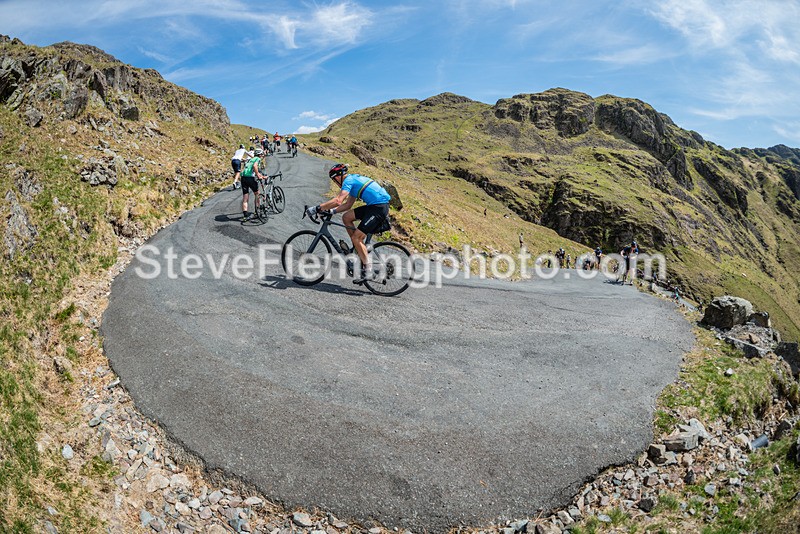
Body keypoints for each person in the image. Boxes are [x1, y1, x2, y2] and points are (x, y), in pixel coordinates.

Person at [306, 163, 391, 283]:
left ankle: (368, 270)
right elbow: (348, 205)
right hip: (374, 206)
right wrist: (331, 211)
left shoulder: (348, 181)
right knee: (347, 217)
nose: (335, 182)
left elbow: (338, 200)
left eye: (334, 179)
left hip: (378, 207)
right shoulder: (352, 180)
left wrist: (317, 208)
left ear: (339, 175)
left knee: (357, 237)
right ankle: (357, 248)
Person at [240, 149, 266, 220]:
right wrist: (258, 175)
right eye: (262, 154)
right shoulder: (257, 159)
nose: (262, 156)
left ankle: (245, 216)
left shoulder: (250, 159)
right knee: (257, 193)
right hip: (250, 178)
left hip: (243, 177)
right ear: (260, 155)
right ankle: (256, 212)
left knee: (245, 197)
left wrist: (260, 175)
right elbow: (255, 166)